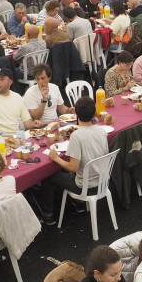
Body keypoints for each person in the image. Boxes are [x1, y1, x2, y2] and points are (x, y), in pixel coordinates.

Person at [39, 96, 106, 224]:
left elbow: (73, 168)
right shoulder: (101, 131)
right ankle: (77, 205)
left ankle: (49, 215)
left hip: (85, 187)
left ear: (76, 113)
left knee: (47, 175)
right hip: (102, 182)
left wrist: (56, 158)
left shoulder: (76, 136)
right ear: (94, 114)